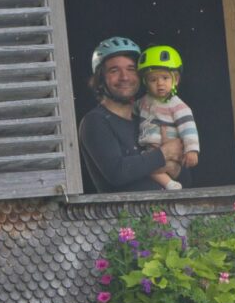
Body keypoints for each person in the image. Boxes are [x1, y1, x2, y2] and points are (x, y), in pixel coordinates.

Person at [78, 37, 184, 193]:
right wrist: (164, 154)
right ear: (100, 79)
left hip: (169, 215)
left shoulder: (149, 116)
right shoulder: (95, 121)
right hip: (126, 216)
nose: (124, 77)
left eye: (131, 69)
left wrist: (177, 168)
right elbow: (117, 173)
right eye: (114, 70)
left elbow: (185, 179)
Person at [137, 45, 199, 191]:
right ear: (145, 82)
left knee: (149, 168)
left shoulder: (178, 106)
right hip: (151, 149)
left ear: (175, 79)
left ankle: (168, 184)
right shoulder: (143, 101)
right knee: (146, 167)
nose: (159, 84)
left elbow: (188, 129)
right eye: (153, 80)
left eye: (165, 78)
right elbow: (133, 110)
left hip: (169, 150)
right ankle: (168, 184)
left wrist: (192, 150)